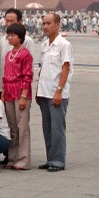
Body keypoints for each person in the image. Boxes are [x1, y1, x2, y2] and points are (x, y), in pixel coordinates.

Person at [36, 13, 73, 172]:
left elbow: (66, 68)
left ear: (57, 24)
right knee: (48, 128)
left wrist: (59, 90)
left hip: (57, 93)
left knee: (57, 128)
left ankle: (58, 160)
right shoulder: (44, 45)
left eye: (49, 23)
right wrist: (38, 91)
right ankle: (50, 158)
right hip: (44, 92)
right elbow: (42, 70)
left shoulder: (64, 45)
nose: (45, 26)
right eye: (43, 23)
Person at [1, 23, 33, 170]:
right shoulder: (9, 54)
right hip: (8, 93)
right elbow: (5, 75)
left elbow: (27, 76)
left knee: (22, 127)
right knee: (12, 128)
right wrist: (3, 94)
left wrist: (23, 96)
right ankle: (12, 157)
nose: (10, 38)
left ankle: (24, 159)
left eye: (13, 35)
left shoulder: (25, 54)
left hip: (20, 92)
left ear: (21, 37)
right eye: (9, 35)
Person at [0, 8, 37, 97]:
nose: (9, 24)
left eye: (12, 21)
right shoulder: (3, 40)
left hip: (19, 89)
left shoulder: (27, 41)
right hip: (3, 87)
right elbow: (0, 64)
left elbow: (30, 68)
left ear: (20, 22)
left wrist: (24, 93)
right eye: (7, 21)